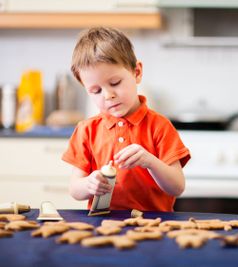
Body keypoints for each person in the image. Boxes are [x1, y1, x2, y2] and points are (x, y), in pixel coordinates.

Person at [62, 27, 190, 212]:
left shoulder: (159, 126)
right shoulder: (86, 130)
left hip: (154, 225)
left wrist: (150, 161)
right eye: (95, 91)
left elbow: (177, 187)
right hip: (102, 224)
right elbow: (75, 189)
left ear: (137, 72)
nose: (108, 95)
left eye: (115, 83)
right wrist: (88, 185)